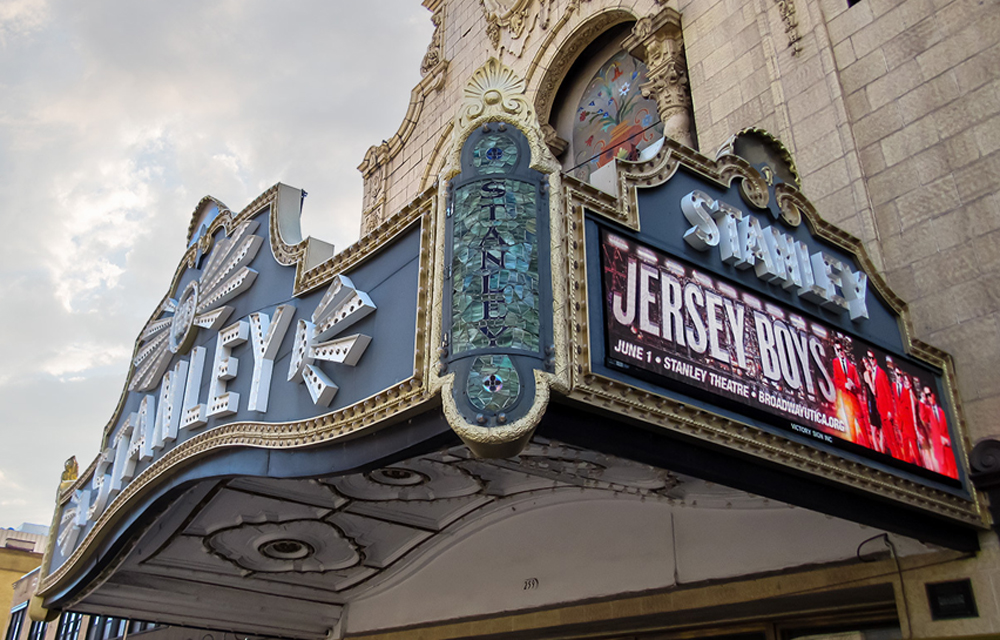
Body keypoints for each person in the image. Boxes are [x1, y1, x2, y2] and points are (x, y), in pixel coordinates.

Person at [831, 340, 869, 447]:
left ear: (844, 350)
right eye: (837, 350)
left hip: (855, 399)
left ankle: (867, 446)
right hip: (845, 400)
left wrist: (853, 386)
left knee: (861, 423)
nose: (840, 352)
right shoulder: (835, 363)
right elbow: (837, 381)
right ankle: (854, 446)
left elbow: (859, 385)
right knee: (851, 425)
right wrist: (845, 385)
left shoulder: (851, 366)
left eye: (841, 349)